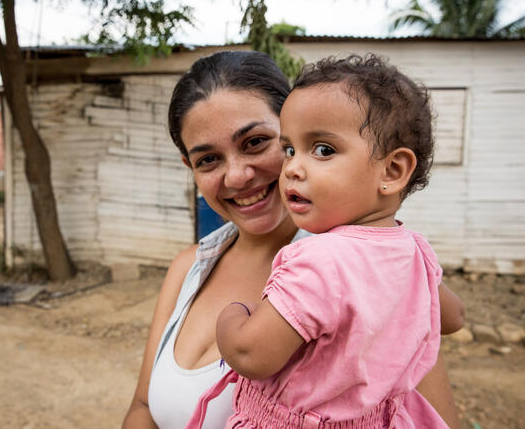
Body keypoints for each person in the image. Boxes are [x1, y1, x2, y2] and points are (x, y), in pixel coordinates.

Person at [122, 51, 464, 429]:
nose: (236, 176)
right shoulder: (191, 265)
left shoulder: (371, 280)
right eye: (208, 160)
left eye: (255, 142)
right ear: (191, 168)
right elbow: (143, 407)